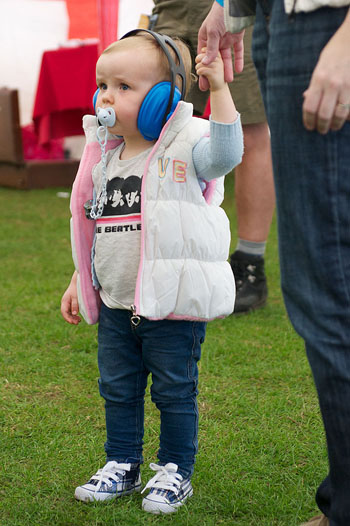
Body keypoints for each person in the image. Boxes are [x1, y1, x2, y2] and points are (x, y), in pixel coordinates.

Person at [61, 29, 243, 514]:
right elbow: (95, 226)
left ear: (163, 96)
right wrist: (81, 277)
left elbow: (227, 156)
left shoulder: (189, 146)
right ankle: (122, 463)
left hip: (171, 306)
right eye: (103, 85)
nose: (106, 96)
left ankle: (174, 470)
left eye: (124, 87)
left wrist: (220, 91)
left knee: (174, 390)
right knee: (117, 389)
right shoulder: (104, 155)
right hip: (119, 304)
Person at [198, 1, 350, 525]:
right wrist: (228, 7)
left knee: (329, 283)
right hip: (279, 20)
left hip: (324, 23)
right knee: (325, 280)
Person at [149, 0, 275, 314]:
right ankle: (159, 254)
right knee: (158, 128)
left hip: (230, 4)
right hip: (171, 7)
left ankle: (249, 264)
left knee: (250, 128)